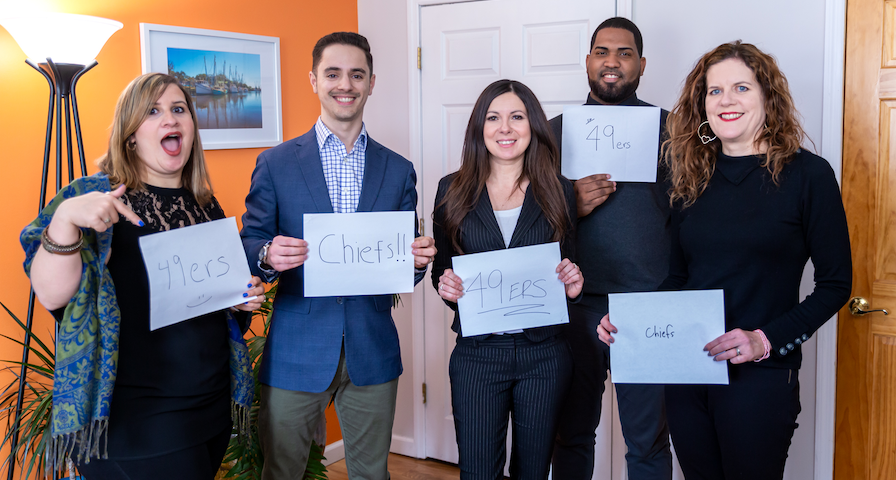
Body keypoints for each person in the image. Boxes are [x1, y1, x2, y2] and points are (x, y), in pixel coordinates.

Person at [598, 41, 852, 479]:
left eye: (741, 87)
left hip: (762, 374)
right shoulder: (691, 177)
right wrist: (630, 320)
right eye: (714, 91)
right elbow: (678, 277)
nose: (726, 100)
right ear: (702, 105)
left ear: (767, 97)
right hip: (688, 369)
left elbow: (836, 283)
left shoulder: (809, 175)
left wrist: (764, 340)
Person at [21, 72, 263, 480]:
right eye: (153, 111)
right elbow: (52, 295)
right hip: (136, 421)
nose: (170, 118)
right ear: (131, 134)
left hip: (210, 407)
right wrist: (64, 221)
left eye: (178, 109)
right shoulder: (94, 198)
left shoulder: (204, 204)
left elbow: (207, 299)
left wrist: (237, 298)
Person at [239, 31, 436, 479]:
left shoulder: (398, 169)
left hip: (372, 349)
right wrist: (269, 252)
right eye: (333, 73)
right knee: (282, 472)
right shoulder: (276, 163)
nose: (344, 84)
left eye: (356, 74)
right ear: (314, 80)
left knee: (372, 474)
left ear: (371, 83)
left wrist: (419, 261)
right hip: (295, 349)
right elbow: (250, 245)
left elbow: (405, 264)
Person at [432, 79, 584, 480]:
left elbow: (568, 266)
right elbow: (441, 271)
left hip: (545, 354)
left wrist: (573, 283)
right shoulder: (451, 190)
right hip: (478, 354)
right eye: (494, 117)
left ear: (532, 126)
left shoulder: (559, 189)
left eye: (517, 117)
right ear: (479, 128)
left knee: (533, 472)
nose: (505, 128)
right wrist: (446, 287)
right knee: (479, 472)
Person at [549, 17, 672, 480]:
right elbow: (526, 216)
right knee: (573, 433)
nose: (612, 62)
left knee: (649, 441)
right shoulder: (551, 131)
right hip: (577, 306)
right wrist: (569, 203)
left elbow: (718, 139)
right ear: (588, 62)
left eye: (624, 53)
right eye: (602, 51)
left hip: (648, 305)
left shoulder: (675, 126)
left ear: (641, 64)